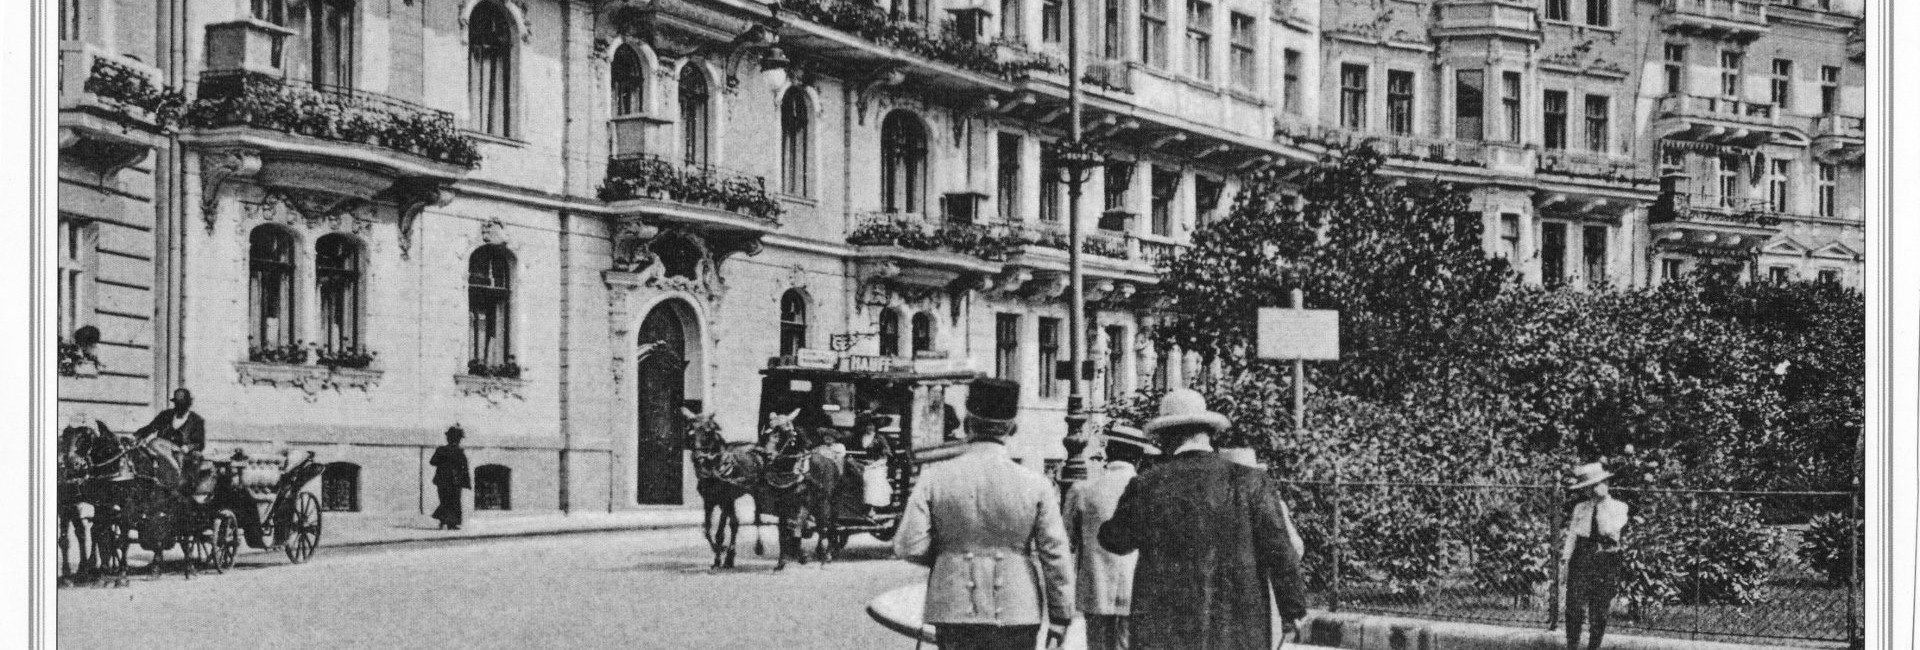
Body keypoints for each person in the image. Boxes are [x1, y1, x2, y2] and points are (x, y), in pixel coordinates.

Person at [1099, 389, 1308, 650]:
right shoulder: (1252, 482)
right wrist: (1293, 611)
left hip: (1164, 632)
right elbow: (1280, 552)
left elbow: (1115, 540)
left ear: (1165, 438)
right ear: (1208, 433)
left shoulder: (1147, 485)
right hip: (1237, 630)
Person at [895, 378, 1075, 650]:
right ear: (1012, 428)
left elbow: (908, 545)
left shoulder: (934, 477)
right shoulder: (1036, 483)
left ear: (968, 424)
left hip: (953, 607)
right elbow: (1056, 555)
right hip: (1017, 608)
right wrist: (1060, 617)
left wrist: (947, 556)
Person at [1064, 425, 1157, 650]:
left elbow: (1068, 541)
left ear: (1108, 452)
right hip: (1136, 589)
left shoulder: (1082, 490)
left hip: (1094, 588)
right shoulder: (1150, 490)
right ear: (1138, 457)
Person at [1558, 462, 1629, 650]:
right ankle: (1572, 646)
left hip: (1605, 558)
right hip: (1581, 557)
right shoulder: (1580, 508)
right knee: (1574, 607)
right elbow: (1573, 534)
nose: (1592, 490)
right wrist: (1565, 560)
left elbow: (1608, 531)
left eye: (1597, 484)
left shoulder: (1619, 508)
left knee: (1599, 609)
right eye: (1588, 487)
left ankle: (1593, 647)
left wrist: (1600, 505)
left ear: (1606, 483)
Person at [133, 387, 207, 491]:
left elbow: (200, 443)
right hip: (162, 451)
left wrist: (188, 447)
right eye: (177, 403)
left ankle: (177, 474)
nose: (179, 406)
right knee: (153, 444)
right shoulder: (166, 415)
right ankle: (172, 469)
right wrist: (137, 436)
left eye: (182, 403)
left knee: (154, 443)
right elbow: (151, 427)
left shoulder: (196, 421)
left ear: (188, 404)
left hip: (182, 454)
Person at [430, 426, 472, 530]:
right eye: (459, 438)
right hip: (454, 481)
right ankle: (450, 523)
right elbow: (464, 468)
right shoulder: (457, 451)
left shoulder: (442, 450)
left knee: (446, 501)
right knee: (452, 501)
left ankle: (445, 521)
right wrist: (466, 482)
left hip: (444, 481)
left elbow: (433, 461)